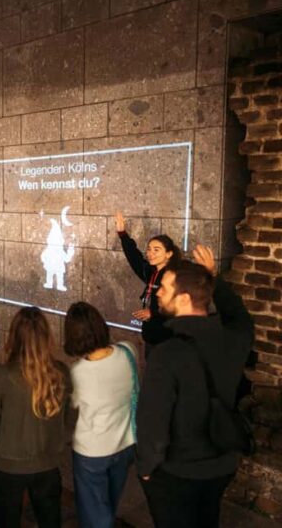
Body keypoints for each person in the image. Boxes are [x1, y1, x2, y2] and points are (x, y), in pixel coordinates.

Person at [136, 246, 253, 528]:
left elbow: (153, 421)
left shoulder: (167, 354)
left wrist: (146, 468)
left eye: (164, 288)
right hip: (222, 465)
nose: (158, 293)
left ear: (184, 298)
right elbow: (240, 316)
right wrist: (213, 278)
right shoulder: (234, 340)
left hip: (179, 472)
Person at [0, 307, 71, 528]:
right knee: (50, 520)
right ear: (46, 337)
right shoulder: (61, 372)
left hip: (8, 465)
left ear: (14, 336)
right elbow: (69, 418)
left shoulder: (0, 376)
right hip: (48, 463)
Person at [64, 302, 139, 528]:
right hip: (126, 445)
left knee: (95, 513)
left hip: (91, 453)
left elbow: (74, 406)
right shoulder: (129, 351)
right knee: (109, 504)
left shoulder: (78, 373)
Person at [115, 211, 182, 350]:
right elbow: (134, 257)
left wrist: (154, 313)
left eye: (156, 250)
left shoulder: (173, 276)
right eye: (149, 249)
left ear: (169, 254)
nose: (151, 253)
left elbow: (179, 307)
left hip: (167, 341)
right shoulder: (151, 272)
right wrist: (122, 234)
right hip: (151, 338)